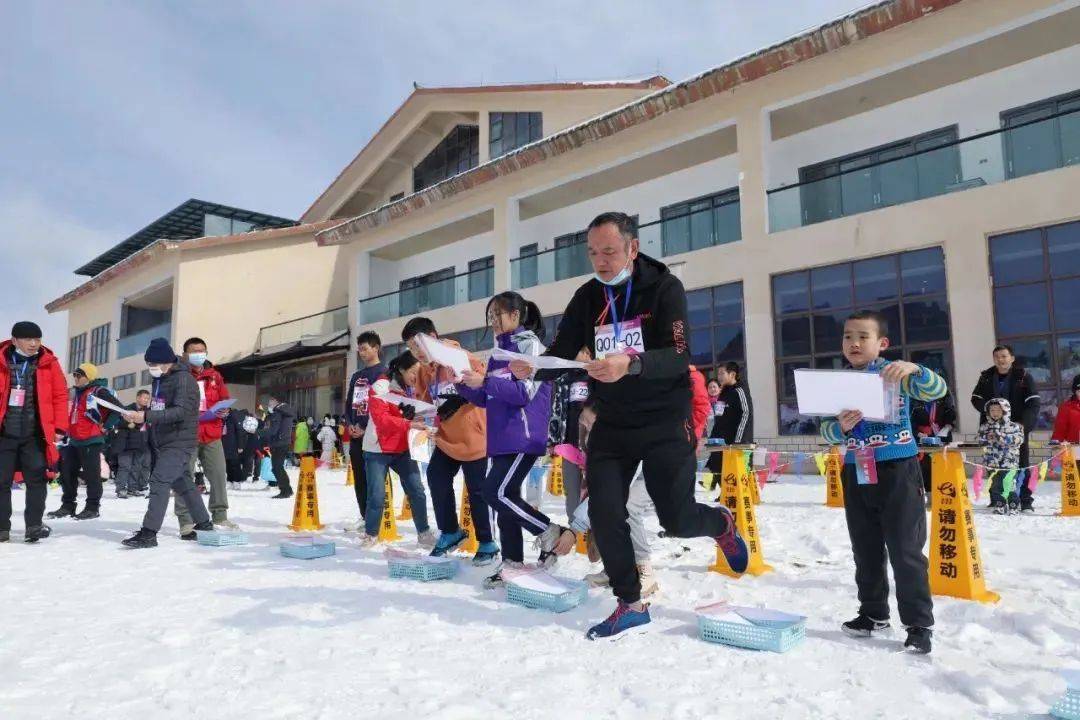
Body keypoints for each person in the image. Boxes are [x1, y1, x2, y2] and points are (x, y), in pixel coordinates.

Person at [510, 212, 748, 640]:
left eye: (609, 251)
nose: (600, 261)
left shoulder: (664, 288)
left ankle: (720, 524)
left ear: (632, 249)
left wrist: (630, 363)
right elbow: (563, 353)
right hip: (614, 420)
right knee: (604, 510)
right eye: (592, 253)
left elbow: (677, 356)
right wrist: (531, 368)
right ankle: (631, 602)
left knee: (675, 518)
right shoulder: (586, 297)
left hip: (663, 417)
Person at [821, 310, 946, 655]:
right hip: (856, 469)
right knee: (866, 547)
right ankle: (873, 613)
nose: (854, 343)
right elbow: (826, 430)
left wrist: (916, 369)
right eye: (848, 336)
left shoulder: (896, 374)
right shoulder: (840, 382)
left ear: (882, 343)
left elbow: (938, 390)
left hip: (897, 469)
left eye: (863, 336)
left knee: (905, 550)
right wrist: (841, 427)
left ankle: (919, 624)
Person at [456, 292, 568, 588]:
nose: (493, 322)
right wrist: (465, 386)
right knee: (505, 501)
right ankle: (512, 564)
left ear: (516, 316)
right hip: (502, 436)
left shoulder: (529, 346)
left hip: (524, 433)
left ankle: (548, 530)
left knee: (496, 492)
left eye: (497, 315)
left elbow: (524, 394)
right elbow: (488, 396)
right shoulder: (498, 352)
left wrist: (487, 381)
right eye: (490, 316)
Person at [401, 317, 497, 565]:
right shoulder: (424, 371)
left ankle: (487, 543)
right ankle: (451, 531)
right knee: (436, 476)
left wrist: (463, 396)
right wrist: (414, 411)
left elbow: (484, 377)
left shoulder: (456, 354)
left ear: (432, 337)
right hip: (446, 438)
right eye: (410, 348)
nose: (416, 352)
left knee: (477, 491)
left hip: (474, 436)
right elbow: (427, 403)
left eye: (418, 345)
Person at [122, 338, 215, 548]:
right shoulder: (161, 379)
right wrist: (139, 416)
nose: (151, 368)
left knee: (159, 481)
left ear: (166, 361)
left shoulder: (183, 380)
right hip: (164, 440)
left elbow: (180, 412)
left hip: (179, 440)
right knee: (182, 482)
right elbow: (158, 409)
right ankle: (204, 523)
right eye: (149, 365)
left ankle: (149, 533)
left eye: (153, 364)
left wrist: (145, 417)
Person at [0, 321, 69, 543]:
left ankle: (34, 526)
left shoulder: (48, 362)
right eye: (28, 339)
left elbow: (60, 395)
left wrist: (60, 427)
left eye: (37, 339)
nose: (34, 344)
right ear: (14, 341)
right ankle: (1, 527)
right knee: (1, 481)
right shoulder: (1, 360)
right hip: (4, 434)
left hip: (34, 434)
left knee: (37, 480)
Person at [359, 351, 434, 548]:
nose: (415, 378)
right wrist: (408, 423)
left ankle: (424, 533)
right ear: (401, 369)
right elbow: (381, 420)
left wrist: (421, 422)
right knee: (376, 494)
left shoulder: (412, 389)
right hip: (377, 448)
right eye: (412, 373)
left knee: (416, 490)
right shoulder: (380, 387)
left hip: (402, 448)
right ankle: (371, 534)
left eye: (418, 374)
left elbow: (414, 415)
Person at [172, 338, 236, 532]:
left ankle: (220, 515)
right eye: (194, 351)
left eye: (202, 350)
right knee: (185, 477)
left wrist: (224, 410)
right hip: (187, 435)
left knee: (218, 474)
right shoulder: (178, 376)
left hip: (212, 433)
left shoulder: (215, 376)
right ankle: (186, 520)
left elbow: (224, 398)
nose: (199, 354)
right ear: (185, 355)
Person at [48, 362, 122, 520]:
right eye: (74, 375)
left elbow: (117, 409)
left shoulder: (98, 391)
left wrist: (106, 427)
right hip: (74, 440)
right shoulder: (79, 392)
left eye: (79, 375)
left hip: (91, 440)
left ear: (89, 377)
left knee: (92, 475)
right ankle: (68, 505)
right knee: (67, 472)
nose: (75, 378)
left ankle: (92, 507)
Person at [970, 346, 1040, 512]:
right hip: (993, 429)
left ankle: (1024, 500)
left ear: (1012, 358)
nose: (1000, 360)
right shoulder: (986, 377)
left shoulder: (1023, 377)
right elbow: (975, 398)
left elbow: (1033, 403)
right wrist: (990, 411)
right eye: (997, 357)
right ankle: (997, 499)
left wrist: (1024, 424)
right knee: (994, 463)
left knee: (1021, 463)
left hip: (1016, 429)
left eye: (1004, 356)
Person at [345, 331, 387, 524]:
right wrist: (350, 425)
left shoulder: (384, 374)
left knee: (377, 480)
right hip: (355, 435)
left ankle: (379, 518)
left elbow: (384, 407)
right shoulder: (356, 376)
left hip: (376, 436)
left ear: (376, 348)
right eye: (359, 349)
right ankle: (364, 517)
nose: (361, 352)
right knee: (360, 479)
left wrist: (367, 428)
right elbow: (348, 404)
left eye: (364, 348)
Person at [546, 348, 592, 524]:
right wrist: (553, 440)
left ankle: (595, 534)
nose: (585, 356)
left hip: (593, 445)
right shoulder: (564, 379)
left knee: (594, 489)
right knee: (571, 488)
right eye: (581, 352)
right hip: (570, 444)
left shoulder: (598, 377)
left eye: (588, 352)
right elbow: (555, 412)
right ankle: (575, 529)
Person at [978, 398, 1025, 514]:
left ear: (1005, 411)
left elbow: (1019, 440)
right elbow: (980, 440)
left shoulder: (1014, 426)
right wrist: (985, 439)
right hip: (992, 462)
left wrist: (1002, 437)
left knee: (1009, 483)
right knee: (996, 485)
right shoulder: (985, 427)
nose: (995, 413)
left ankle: (1013, 504)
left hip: (1009, 462)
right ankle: (1000, 504)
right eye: (992, 410)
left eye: (998, 410)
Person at [705, 361, 752, 476]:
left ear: (732, 374)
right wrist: (713, 437)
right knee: (717, 468)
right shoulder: (723, 392)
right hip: (721, 442)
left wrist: (738, 441)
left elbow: (746, 413)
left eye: (722, 373)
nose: (719, 377)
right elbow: (719, 416)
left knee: (737, 473)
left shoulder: (740, 390)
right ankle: (724, 494)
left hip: (736, 442)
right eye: (718, 374)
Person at [910, 391, 958, 493]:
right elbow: (910, 421)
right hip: (923, 441)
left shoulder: (944, 395)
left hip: (943, 439)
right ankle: (929, 494)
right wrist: (917, 432)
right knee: (926, 469)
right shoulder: (914, 398)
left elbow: (951, 414)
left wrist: (948, 426)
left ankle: (946, 494)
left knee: (944, 468)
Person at [114, 389, 152, 498]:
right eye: (144, 398)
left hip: (141, 444)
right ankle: (120, 489)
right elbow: (118, 423)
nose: (146, 400)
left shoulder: (147, 412)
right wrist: (127, 424)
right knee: (125, 466)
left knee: (137, 467)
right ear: (138, 397)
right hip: (126, 444)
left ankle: (132, 488)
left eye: (147, 398)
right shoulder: (127, 409)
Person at [260, 392, 296, 498]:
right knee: (277, 467)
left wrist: (257, 432)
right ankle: (287, 490)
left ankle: (285, 491)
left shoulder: (278, 412)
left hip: (278, 443)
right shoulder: (285, 411)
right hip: (283, 442)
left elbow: (273, 431)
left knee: (277, 468)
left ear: (276, 401)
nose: (269, 403)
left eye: (271, 400)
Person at [1051, 375, 1080, 445]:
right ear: (1075, 392)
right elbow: (1059, 432)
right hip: (1074, 451)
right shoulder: (1066, 408)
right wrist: (1056, 443)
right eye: (1079, 391)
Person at [221, 407, 243, 486]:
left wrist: (240, 445)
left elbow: (239, 431)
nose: (223, 410)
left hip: (233, 444)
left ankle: (237, 481)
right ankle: (229, 480)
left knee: (235, 463)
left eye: (225, 409)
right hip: (223, 443)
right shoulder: (221, 417)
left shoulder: (233, 417)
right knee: (227, 463)